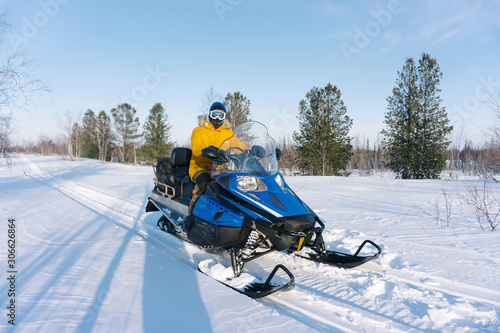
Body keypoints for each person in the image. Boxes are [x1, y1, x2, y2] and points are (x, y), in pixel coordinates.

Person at [188, 102, 235, 214]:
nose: (217, 118)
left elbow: (239, 145)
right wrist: (205, 150)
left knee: (235, 187)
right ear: (209, 115)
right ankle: (191, 217)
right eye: (215, 114)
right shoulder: (198, 130)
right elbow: (196, 147)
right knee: (204, 186)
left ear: (224, 116)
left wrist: (253, 149)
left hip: (221, 169)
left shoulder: (228, 132)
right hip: (200, 168)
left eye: (220, 115)